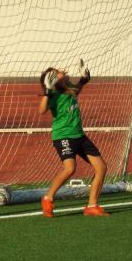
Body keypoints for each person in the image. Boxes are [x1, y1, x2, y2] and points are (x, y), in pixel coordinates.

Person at [38, 60, 109, 217]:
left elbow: (76, 89)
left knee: (101, 167)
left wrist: (84, 79)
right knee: (70, 168)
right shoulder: (53, 96)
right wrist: (47, 91)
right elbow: (41, 110)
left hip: (79, 136)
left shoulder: (69, 90)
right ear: (53, 80)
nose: (63, 72)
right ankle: (47, 198)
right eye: (58, 73)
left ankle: (92, 205)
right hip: (63, 136)